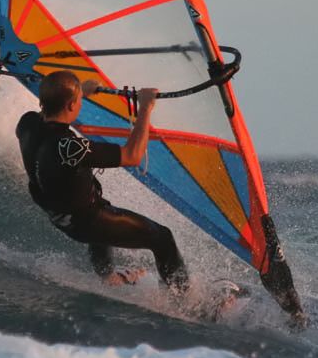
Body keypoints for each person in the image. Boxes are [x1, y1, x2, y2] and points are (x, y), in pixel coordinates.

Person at [16, 70, 189, 292]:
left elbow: (50, 116)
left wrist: (81, 93)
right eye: (77, 102)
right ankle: (184, 298)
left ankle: (107, 277)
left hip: (60, 215)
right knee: (162, 237)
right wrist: (145, 108)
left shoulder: (26, 124)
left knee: (95, 207)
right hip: (86, 221)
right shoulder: (70, 147)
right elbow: (132, 156)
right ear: (71, 106)